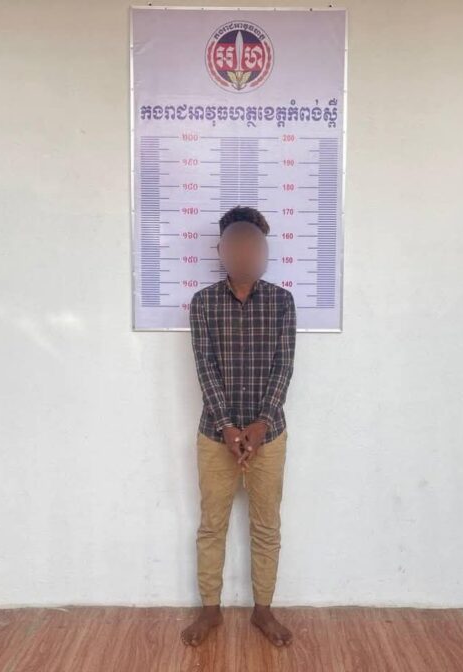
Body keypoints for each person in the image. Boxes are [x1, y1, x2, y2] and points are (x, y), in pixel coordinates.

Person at [180, 205, 297, 647]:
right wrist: (228, 426)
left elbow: (284, 367)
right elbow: (205, 368)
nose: (246, 254)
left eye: (255, 246)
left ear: (265, 251)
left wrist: (262, 423)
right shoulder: (204, 303)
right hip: (215, 436)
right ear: (221, 251)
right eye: (238, 246)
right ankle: (210, 610)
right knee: (212, 525)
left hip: (270, 435)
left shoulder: (282, 302)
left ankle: (263, 610)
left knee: (267, 527)